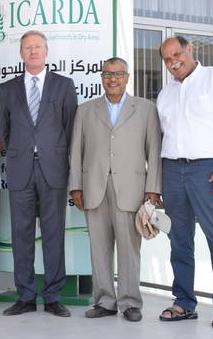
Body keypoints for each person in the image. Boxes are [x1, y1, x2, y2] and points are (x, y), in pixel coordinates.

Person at [157, 36, 213, 329]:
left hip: (208, 170)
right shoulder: (165, 94)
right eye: (167, 59)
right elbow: (163, 138)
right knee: (178, 240)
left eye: (176, 55)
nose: (173, 62)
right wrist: (157, 184)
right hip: (172, 170)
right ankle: (184, 302)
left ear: (189, 50)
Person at [68, 57, 161, 322]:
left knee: (130, 249)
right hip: (93, 188)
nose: (113, 79)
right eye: (108, 74)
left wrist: (152, 189)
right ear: (101, 77)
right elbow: (76, 152)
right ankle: (105, 302)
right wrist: (76, 186)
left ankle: (131, 302)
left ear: (127, 77)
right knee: (98, 248)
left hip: (131, 189)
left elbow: (153, 151)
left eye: (118, 74)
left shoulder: (145, 109)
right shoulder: (85, 110)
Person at [0, 30, 78, 317]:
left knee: (54, 232)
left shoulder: (64, 86)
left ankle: (53, 296)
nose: (32, 51)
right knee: (21, 234)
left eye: (37, 47)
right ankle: (26, 295)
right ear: (20, 53)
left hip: (53, 169)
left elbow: (70, 129)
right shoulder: (6, 89)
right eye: (27, 47)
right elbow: (2, 130)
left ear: (46, 51)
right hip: (20, 169)